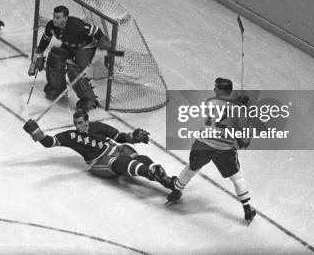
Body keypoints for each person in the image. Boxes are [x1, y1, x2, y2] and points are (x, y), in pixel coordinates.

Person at [23, 109, 180, 196]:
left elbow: (120, 137)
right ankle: (151, 172)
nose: (78, 127)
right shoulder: (71, 136)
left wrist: (134, 136)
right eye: (76, 124)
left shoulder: (98, 126)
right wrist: (36, 132)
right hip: (100, 163)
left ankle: (165, 180)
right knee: (122, 162)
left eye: (81, 123)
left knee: (141, 157)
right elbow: (49, 142)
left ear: (87, 120)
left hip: (116, 150)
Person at [166, 78, 257, 225]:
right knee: (237, 178)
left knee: (191, 167)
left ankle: (175, 192)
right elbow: (245, 140)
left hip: (203, 144)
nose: (214, 90)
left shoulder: (209, 102)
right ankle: (247, 209)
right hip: (223, 149)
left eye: (216, 88)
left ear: (221, 90)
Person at [29, 5, 112, 111]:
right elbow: (45, 40)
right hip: (69, 45)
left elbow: (96, 31)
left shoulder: (76, 26)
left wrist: (108, 52)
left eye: (58, 17)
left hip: (85, 47)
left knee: (74, 69)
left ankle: (88, 99)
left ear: (65, 18)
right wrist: (38, 56)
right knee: (56, 57)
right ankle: (57, 88)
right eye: (54, 16)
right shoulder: (51, 26)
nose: (54, 19)